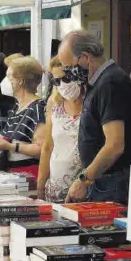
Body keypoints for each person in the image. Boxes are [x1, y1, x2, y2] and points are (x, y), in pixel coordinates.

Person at [59, 31, 131, 205]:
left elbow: (114, 145)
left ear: (85, 57)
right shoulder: (101, 82)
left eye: (69, 67)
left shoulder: (109, 84)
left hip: (115, 183)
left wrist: (84, 179)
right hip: (107, 180)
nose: (68, 74)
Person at [38, 56, 84, 203]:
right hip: (54, 189)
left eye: (66, 78)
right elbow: (48, 146)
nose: (62, 85)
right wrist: (40, 188)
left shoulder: (92, 101)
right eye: (56, 81)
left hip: (82, 190)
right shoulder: (54, 102)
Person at [0, 57, 47, 173]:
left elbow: (41, 148)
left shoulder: (37, 108)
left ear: (20, 81)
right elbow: (17, 139)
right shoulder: (17, 106)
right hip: (12, 174)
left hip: (28, 175)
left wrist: (9, 146)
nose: (5, 81)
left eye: (9, 76)